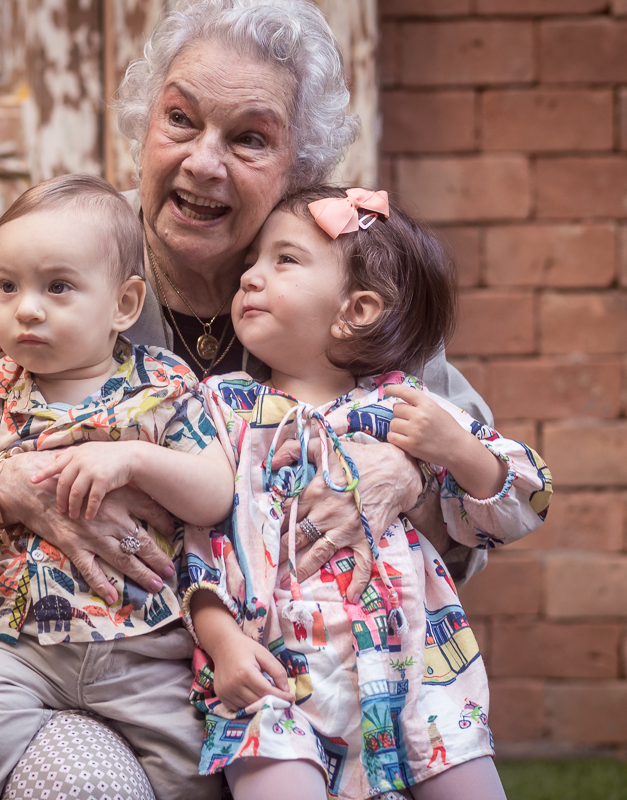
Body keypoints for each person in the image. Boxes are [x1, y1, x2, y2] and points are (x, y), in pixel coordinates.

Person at [0, 2, 493, 797]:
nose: (203, 162)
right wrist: (6, 488)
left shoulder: (357, 282)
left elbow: (479, 479)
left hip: (307, 686)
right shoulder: (33, 281)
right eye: (181, 120)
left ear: (302, 164)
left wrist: (404, 476)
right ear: (144, 124)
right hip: (55, 672)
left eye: (250, 138)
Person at [0, 173, 237, 800]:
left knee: (196, 777)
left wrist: (135, 461)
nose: (27, 308)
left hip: (145, 648)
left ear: (124, 305)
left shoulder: (162, 387)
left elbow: (215, 493)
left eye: (57, 287)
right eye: (8, 287)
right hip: (11, 646)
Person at [182, 186, 553, 799]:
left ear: (355, 310)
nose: (249, 276)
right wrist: (222, 645)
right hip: (275, 677)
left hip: (418, 672)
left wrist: (454, 450)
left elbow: (526, 502)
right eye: (252, 261)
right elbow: (195, 542)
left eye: (284, 260)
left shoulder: (408, 407)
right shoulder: (223, 412)